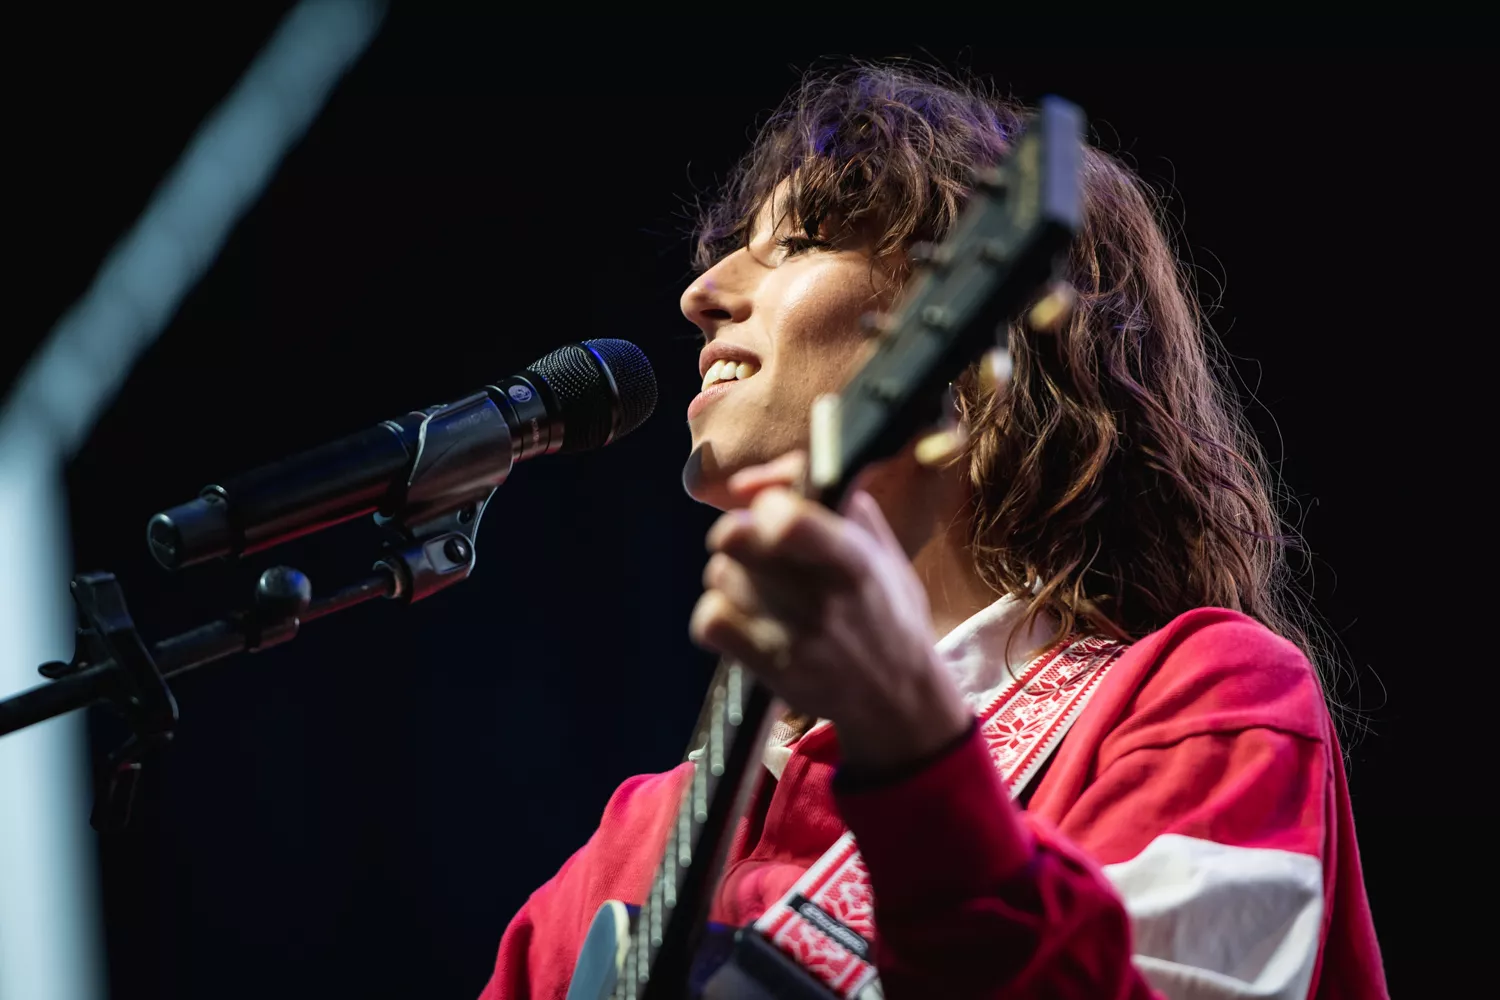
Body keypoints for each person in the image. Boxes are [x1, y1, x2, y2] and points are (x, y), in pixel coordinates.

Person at [480, 63, 1387, 999]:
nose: (699, 293)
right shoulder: (634, 845)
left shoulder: (1197, 699)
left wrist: (910, 742)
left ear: (977, 333)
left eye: (798, 243)